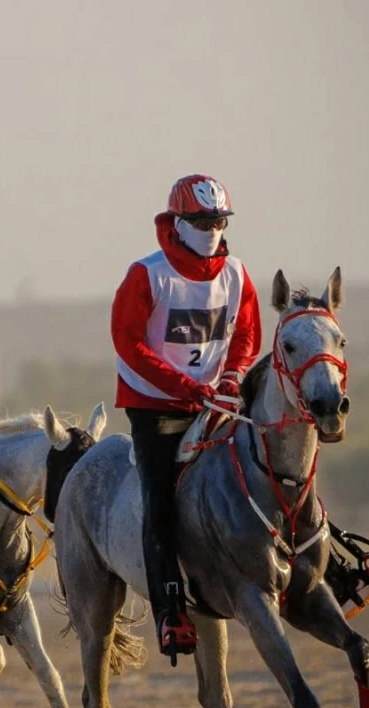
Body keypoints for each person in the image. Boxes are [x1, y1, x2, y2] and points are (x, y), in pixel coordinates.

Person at [111, 175, 262, 661]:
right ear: (177, 222)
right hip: (156, 408)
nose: (211, 229)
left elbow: (247, 334)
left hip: (217, 401)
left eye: (218, 220)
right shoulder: (147, 274)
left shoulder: (236, 274)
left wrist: (235, 375)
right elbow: (128, 344)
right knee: (159, 502)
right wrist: (186, 388)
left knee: (270, 463)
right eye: (201, 221)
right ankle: (170, 610)